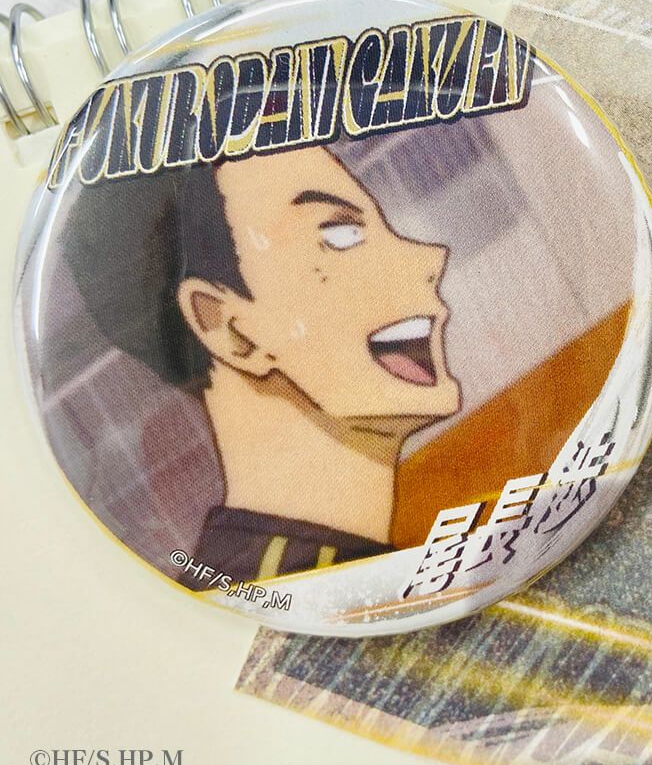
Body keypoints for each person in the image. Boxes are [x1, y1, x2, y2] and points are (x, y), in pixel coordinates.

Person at [63, 145, 461, 586]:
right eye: (341, 234)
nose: (432, 257)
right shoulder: (277, 590)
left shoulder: (306, 571)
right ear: (229, 328)